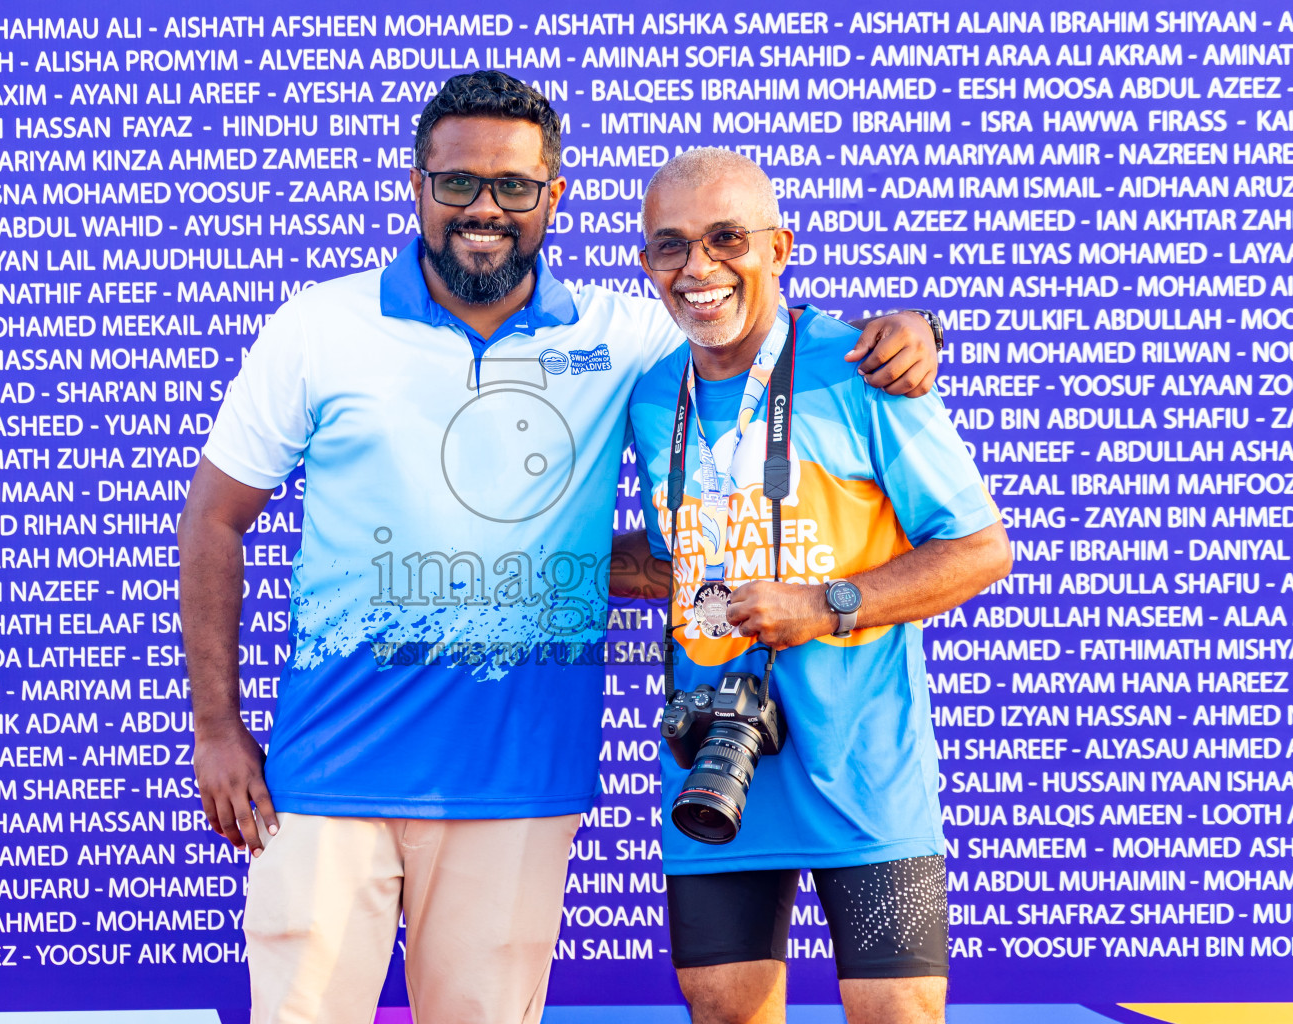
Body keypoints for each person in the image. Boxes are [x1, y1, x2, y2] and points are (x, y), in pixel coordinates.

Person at [178, 72, 943, 1024]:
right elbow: (213, 518)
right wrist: (216, 728)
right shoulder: (318, 327)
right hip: (328, 772)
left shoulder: (624, 336)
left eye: (513, 185)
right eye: (457, 183)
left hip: (520, 783)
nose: (484, 208)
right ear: (417, 186)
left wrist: (911, 331)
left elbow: (753, 330)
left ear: (555, 196)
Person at [615, 148, 1012, 1024]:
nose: (699, 268)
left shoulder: (864, 367)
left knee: (897, 1012)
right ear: (647, 264)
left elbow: (982, 549)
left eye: (727, 239)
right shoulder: (650, 394)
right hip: (721, 769)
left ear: (779, 246)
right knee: (722, 1008)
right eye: (671, 246)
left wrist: (824, 604)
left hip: (866, 773)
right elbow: (677, 553)